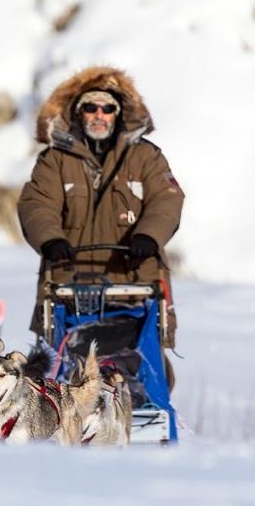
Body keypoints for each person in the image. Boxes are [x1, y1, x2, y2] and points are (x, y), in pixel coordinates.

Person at [17, 66, 184, 387]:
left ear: (119, 114)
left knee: (151, 372)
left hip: (134, 281)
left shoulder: (146, 158)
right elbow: (36, 204)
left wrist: (148, 236)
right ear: (78, 113)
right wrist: (50, 240)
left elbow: (167, 199)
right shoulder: (55, 160)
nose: (98, 114)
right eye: (90, 107)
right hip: (69, 283)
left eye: (107, 108)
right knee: (62, 371)